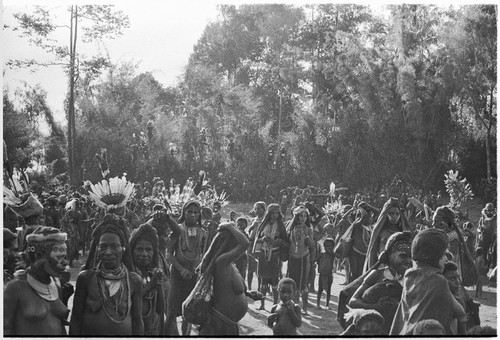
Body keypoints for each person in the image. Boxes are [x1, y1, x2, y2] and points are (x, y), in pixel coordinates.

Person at [69, 214, 144, 335]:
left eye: (114, 246)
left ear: (123, 248)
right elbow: (76, 319)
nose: (108, 252)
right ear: (97, 249)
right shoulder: (85, 278)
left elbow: (137, 321)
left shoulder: (134, 280)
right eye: (103, 246)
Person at [390, 228, 467, 335]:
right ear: (432, 255)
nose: (446, 260)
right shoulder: (438, 281)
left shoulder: (409, 274)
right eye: (443, 255)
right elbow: (460, 313)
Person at [4, 227, 71, 335]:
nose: (65, 263)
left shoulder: (56, 283)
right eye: (58, 257)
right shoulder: (14, 288)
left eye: (64, 257)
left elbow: (59, 325)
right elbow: (5, 330)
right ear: (38, 256)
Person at [348, 232, 412, 334]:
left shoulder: (411, 280)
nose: (408, 261)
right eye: (403, 256)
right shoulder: (377, 275)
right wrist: (377, 307)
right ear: (389, 255)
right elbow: (353, 301)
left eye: (410, 257)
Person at [197, 222, 251, 335]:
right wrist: (229, 226)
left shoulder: (230, 264)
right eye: (235, 245)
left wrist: (249, 294)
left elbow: (230, 289)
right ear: (228, 244)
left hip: (229, 323)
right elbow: (245, 243)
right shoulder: (221, 261)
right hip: (219, 324)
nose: (238, 250)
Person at [165, 200, 207, 335]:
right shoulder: (177, 229)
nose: (193, 214)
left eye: (196, 212)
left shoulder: (203, 232)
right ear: (184, 213)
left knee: (189, 310)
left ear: (199, 215)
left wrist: (199, 270)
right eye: (189, 211)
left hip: (194, 275)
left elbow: (205, 254)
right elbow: (169, 254)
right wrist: (181, 269)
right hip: (177, 274)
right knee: (172, 309)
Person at [129, 223, 166, 335]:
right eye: (139, 249)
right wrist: (150, 286)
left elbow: (160, 309)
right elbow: (127, 305)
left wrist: (157, 283)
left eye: (149, 249)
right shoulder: (128, 274)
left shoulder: (153, 273)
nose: (144, 254)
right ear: (132, 251)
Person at [252, 203, 288, 311]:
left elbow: (285, 240)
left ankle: (275, 304)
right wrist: (263, 239)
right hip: (263, 253)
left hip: (275, 254)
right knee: (263, 279)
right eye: (272, 213)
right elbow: (256, 239)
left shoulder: (280, 225)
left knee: (274, 279)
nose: (274, 215)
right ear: (268, 213)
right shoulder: (263, 224)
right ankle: (262, 304)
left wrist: (278, 241)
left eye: (276, 213)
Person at [364, 197, 408, 272]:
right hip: (382, 267)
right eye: (391, 213)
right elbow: (373, 251)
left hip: (399, 268)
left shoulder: (402, 232)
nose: (395, 216)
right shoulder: (379, 231)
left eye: (397, 214)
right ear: (386, 215)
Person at [286, 205, 314, 315]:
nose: (303, 218)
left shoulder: (309, 228)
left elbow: (311, 245)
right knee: (293, 282)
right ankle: (294, 305)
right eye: (300, 216)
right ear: (296, 216)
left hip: (304, 257)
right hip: (292, 257)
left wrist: (306, 236)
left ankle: (305, 308)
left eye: (305, 216)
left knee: (303, 283)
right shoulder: (290, 227)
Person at [247, 201, 266, 290]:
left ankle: (260, 288)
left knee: (259, 269)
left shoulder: (265, 220)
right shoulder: (254, 220)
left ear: (264, 209)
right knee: (250, 268)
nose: (257, 210)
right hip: (251, 245)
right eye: (255, 209)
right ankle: (249, 288)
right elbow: (249, 231)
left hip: (260, 245)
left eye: (259, 208)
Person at [316, 238, 335, 309]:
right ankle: (318, 303)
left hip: (329, 274)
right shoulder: (322, 254)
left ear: (333, 247)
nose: (328, 248)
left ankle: (327, 304)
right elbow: (316, 260)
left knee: (329, 289)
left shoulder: (333, 255)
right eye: (327, 246)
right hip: (322, 274)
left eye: (330, 246)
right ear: (324, 246)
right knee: (320, 289)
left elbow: (339, 256)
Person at [477, 202, 496, 269]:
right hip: (484, 238)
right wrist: (480, 230)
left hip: (493, 238)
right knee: (484, 251)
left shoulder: (495, 219)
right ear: (486, 211)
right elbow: (478, 228)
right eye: (488, 211)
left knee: (493, 252)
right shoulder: (482, 219)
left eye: (491, 211)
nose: (490, 212)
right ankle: (484, 265)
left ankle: (492, 267)